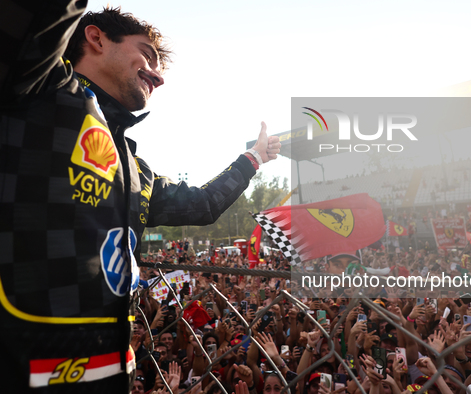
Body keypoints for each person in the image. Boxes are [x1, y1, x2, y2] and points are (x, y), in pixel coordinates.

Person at [0, 1, 280, 392]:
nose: (159, 77)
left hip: (110, 374)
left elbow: (203, 204)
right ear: (95, 38)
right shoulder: (35, 86)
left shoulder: (135, 170)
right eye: (146, 54)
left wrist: (252, 160)